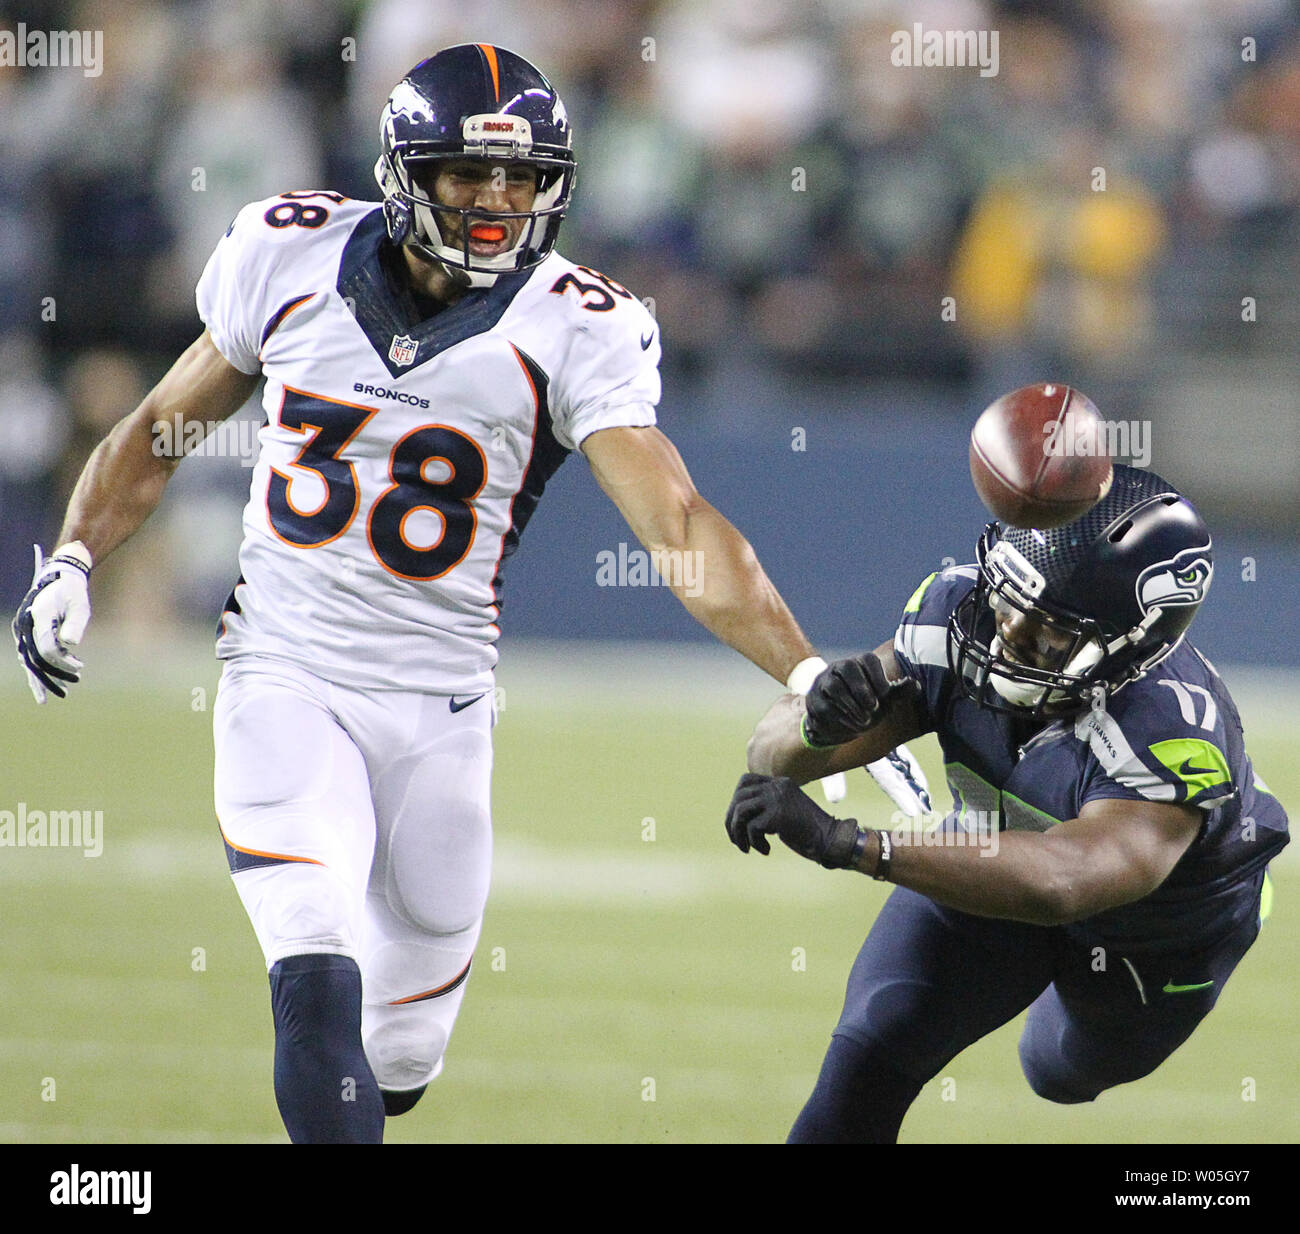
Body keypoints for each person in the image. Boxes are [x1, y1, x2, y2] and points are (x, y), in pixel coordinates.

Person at [11, 43, 927, 1144]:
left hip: (444, 710)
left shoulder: (576, 323)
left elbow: (678, 526)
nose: (497, 202)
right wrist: (72, 556)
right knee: (314, 966)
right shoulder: (288, 254)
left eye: (521, 178)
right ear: (406, 171)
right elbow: (162, 429)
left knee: (398, 1061)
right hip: (283, 675)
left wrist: (807, 668)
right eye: (467, 175)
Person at [726, 463, 1288, 1143]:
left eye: (1047, 633)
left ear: (1129, 644)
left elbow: (1063, 883)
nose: (1004, 638)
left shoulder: (1171, 729)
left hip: (1157, 932)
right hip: (994, 847)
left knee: (1057, 1071)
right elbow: (773, 754)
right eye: (1006, 603)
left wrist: (853, 844)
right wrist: (819, 716)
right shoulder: (956, 609)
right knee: (875, 1043)